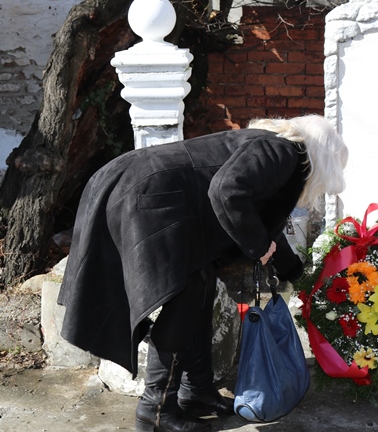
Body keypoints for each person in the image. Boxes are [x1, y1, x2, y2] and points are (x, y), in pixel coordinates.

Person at [57, 115, 348, 432]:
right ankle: (156, 409)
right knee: (187, 293)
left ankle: (197, 391)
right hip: (149, 196)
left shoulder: (270, 147)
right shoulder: (282, 152)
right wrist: (258, 245)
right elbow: (227, 191)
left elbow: (261, 221)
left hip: (146, 190)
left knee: (201, 284)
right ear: (322, 157)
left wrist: (297, 275)